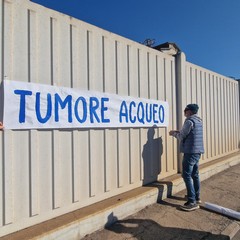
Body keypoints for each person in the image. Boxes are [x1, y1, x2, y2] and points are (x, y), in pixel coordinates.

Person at [169, 104, 204, 211]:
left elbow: (181, 136)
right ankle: (197, 197)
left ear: (189, 111)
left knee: (186, 175)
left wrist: (173, 134)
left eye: (186, 110)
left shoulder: (189, 121)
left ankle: (192, 202)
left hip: (190, 152)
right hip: (197, 151)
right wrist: (178, 131)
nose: (184, 112)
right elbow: (190, 134)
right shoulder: (198, 121)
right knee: (195, 174)